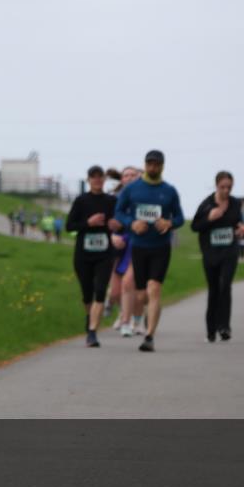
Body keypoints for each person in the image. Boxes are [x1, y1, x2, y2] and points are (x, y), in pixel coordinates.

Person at [113, 150, 184, 352]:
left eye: (156, 164)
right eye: (150, 164)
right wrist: (132, 223)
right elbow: (118, 212)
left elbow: (180, 217)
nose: (153, 167)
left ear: (162, 166)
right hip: (139, 246)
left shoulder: (169, 191)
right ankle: (146, 314)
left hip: (161, 247)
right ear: (145, 165)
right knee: (141, 295)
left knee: (154, 289)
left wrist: (169, 223)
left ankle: (149, 336)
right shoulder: (132, 189)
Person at [66, 166, 118, 348]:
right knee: (87, 294)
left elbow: (120, 223)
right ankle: (90, 318)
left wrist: (115, 225)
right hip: (83, 255)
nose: (97, 180)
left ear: (104, 180)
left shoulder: (112, 201)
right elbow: (69, 226)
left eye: (99, 177)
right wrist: (88, 222)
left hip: (105, 254)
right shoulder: (81, 201)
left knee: (101, 290)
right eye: (93, 177)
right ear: (88, 180)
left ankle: (93, 331)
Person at [191, 171, 242, 342]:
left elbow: (237, 222)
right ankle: (211, 330)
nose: (226, 190)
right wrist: (209, 218)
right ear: (216, 186)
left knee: (225, 285)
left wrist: (240, 229)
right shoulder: (207, 204)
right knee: (214, 289)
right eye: (223, 187)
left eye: (229, 187)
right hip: (211, 252)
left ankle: (224, 327)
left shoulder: (235, 203)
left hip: (230, 251)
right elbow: (194, 226)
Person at [110, 166, 144, 337]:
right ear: (122, 180)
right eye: (126, 175)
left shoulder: (145, 197)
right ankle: (123, 313)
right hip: (118, 247)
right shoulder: (114, 199)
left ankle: (133, 321)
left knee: (130, 284)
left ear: (139, 178)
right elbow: (107, 223)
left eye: (133, 175)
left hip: (137, 245)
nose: (129, 178)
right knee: (115, 292)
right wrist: (112, 236)